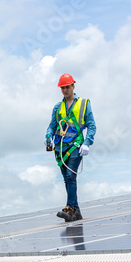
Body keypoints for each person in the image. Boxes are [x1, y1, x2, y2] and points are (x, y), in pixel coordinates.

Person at [46, 74, 96, 222]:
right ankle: (76, 211)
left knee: (70, 176)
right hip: (60, 147)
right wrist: (48, 136)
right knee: (66, 179)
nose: (65, 90)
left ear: (73, 86)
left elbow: (92, 126)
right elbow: (52, 125)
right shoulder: (58, 107)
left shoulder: (84, 103)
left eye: (67, 87)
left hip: (75, 145)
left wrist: (87, 142)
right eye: (63, 88)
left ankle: (69, 208)